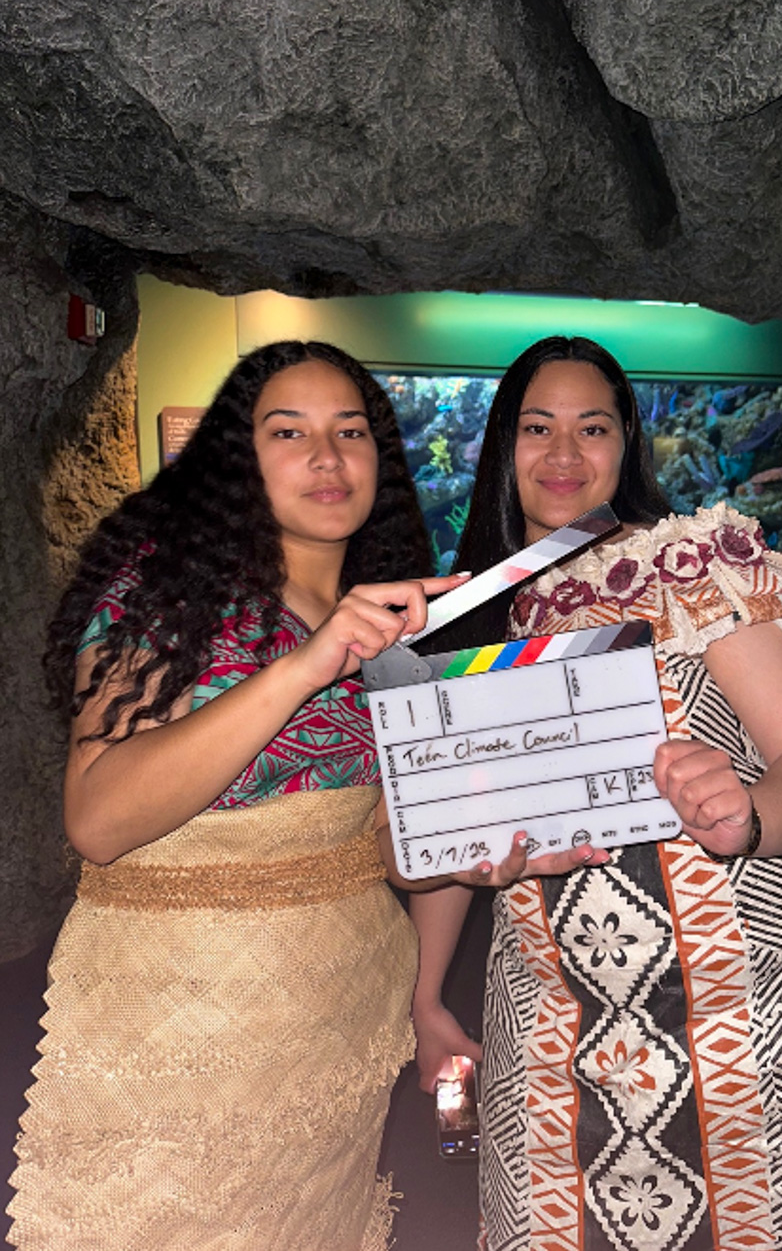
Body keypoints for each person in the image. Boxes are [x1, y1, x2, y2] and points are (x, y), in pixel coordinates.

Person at [411, 336, 782, 1249]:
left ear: (628, 446)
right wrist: (427, 999)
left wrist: (749, 812)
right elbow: (451, 838)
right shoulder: (465, 616)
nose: (566, 455)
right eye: (538, 428)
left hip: (745, 998)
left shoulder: (689, 566)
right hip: (548, 1007)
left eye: (594, 428)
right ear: (500, 446)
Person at [6, 340, 471, 1251]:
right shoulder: (160, 597)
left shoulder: (398, 623)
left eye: (351, 432)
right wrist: (305, 665)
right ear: (236, 457)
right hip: (183, 1022)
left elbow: (387, 845)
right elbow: (98, 820)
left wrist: (481, 850)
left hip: (340, 1015)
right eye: (287, 431)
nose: (327, 458)